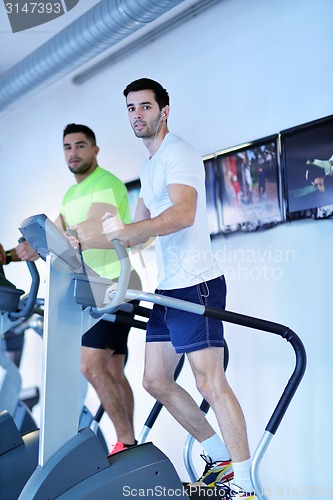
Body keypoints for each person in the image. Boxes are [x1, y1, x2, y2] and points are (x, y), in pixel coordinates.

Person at [98, 79, 257, 498]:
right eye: (131, 108)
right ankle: (219, 455)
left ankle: (245, 485)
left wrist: (131, 228)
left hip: (196, 283)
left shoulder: (178, 153)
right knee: (154, 379)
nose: (137, 115)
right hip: (168, 288)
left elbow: (183, 215)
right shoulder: (150, 166)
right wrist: (82, 242)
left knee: (210, 382)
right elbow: (138, 235)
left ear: (164, 111)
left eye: (145, 107)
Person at [56, 123, 141, 455]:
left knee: (91, 365)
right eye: (67, 147)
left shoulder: (104, 183)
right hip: (96, 288)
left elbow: (90, 230)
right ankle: (130, 442)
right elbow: (58, 230)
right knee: (112, 369)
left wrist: (65, 235)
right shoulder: (70, 194)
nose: (73, 152)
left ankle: (126, 441)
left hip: (110, 287)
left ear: (94, 150)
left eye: (80, 145)